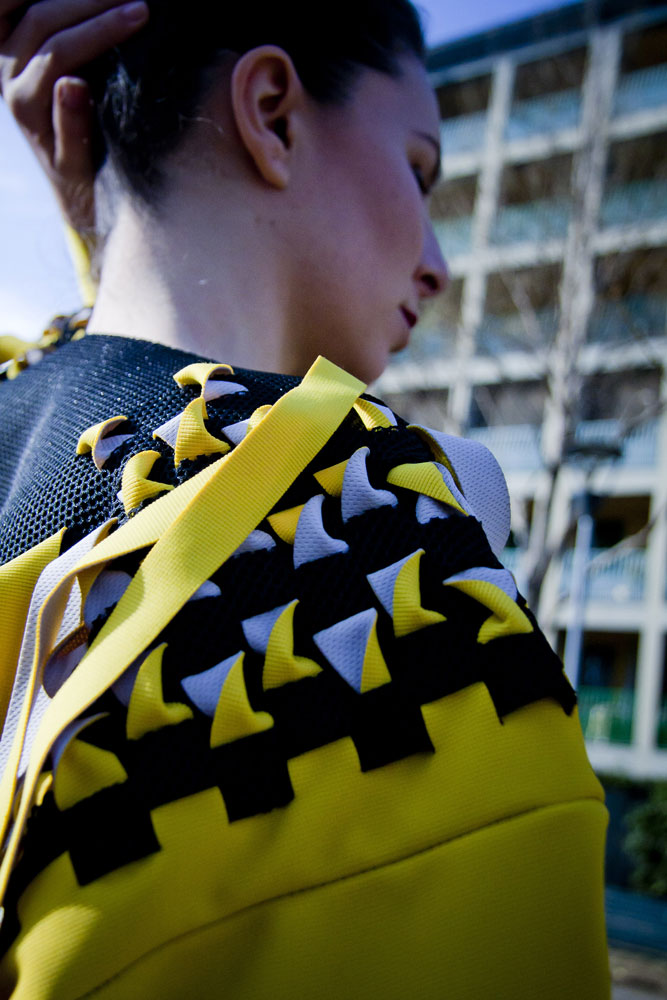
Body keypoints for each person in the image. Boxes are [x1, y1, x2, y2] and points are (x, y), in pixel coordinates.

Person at [0, 2, 610, 998]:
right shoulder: (390, 564)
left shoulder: (28, 421)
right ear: (273, 111)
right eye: (417, 170)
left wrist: (113, 244)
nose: (438, 264)